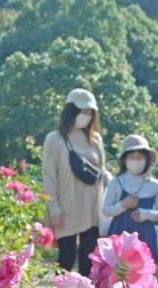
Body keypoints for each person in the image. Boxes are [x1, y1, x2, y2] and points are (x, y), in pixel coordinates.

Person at [42, 88, 106, 276]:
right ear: (71, 111)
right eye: (82, 112)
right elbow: (49, 176)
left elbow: (102, 173)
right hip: (66, 209)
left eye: (89, 113)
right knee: (66, 260)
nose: (86, 117)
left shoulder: (95, 140)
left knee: (88, 262)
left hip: (92, 209)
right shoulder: (54, 139)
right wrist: (54, 208)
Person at [102, 134, 158, 264]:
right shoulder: (116, 182)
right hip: (120, 234)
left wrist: (146, 214)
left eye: (140, 158)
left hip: (146, 236)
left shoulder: (154, 185)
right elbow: (106, 210)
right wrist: (122, 206)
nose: (136, 161)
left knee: (144, 275)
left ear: (146, 160)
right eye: (132, 157)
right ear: (125, 160)